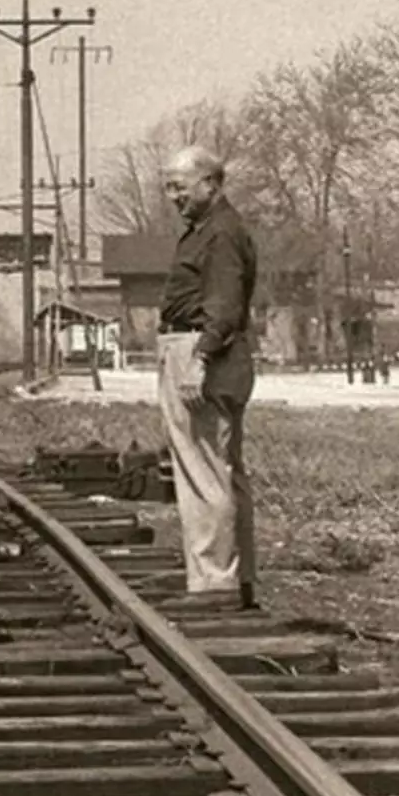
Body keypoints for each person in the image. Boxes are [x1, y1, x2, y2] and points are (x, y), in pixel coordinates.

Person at [157, 144, 260, 610]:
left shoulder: (219, 234)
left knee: (204, 473)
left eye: (179, 187)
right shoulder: (214, 229)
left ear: (210, 184)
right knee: (224, 470)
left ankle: (214, 584)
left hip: (202, 352)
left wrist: (198, 360)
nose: (172, 196)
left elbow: (224, 305)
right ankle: (237, 583)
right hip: (212, 351)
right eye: (169, 187)